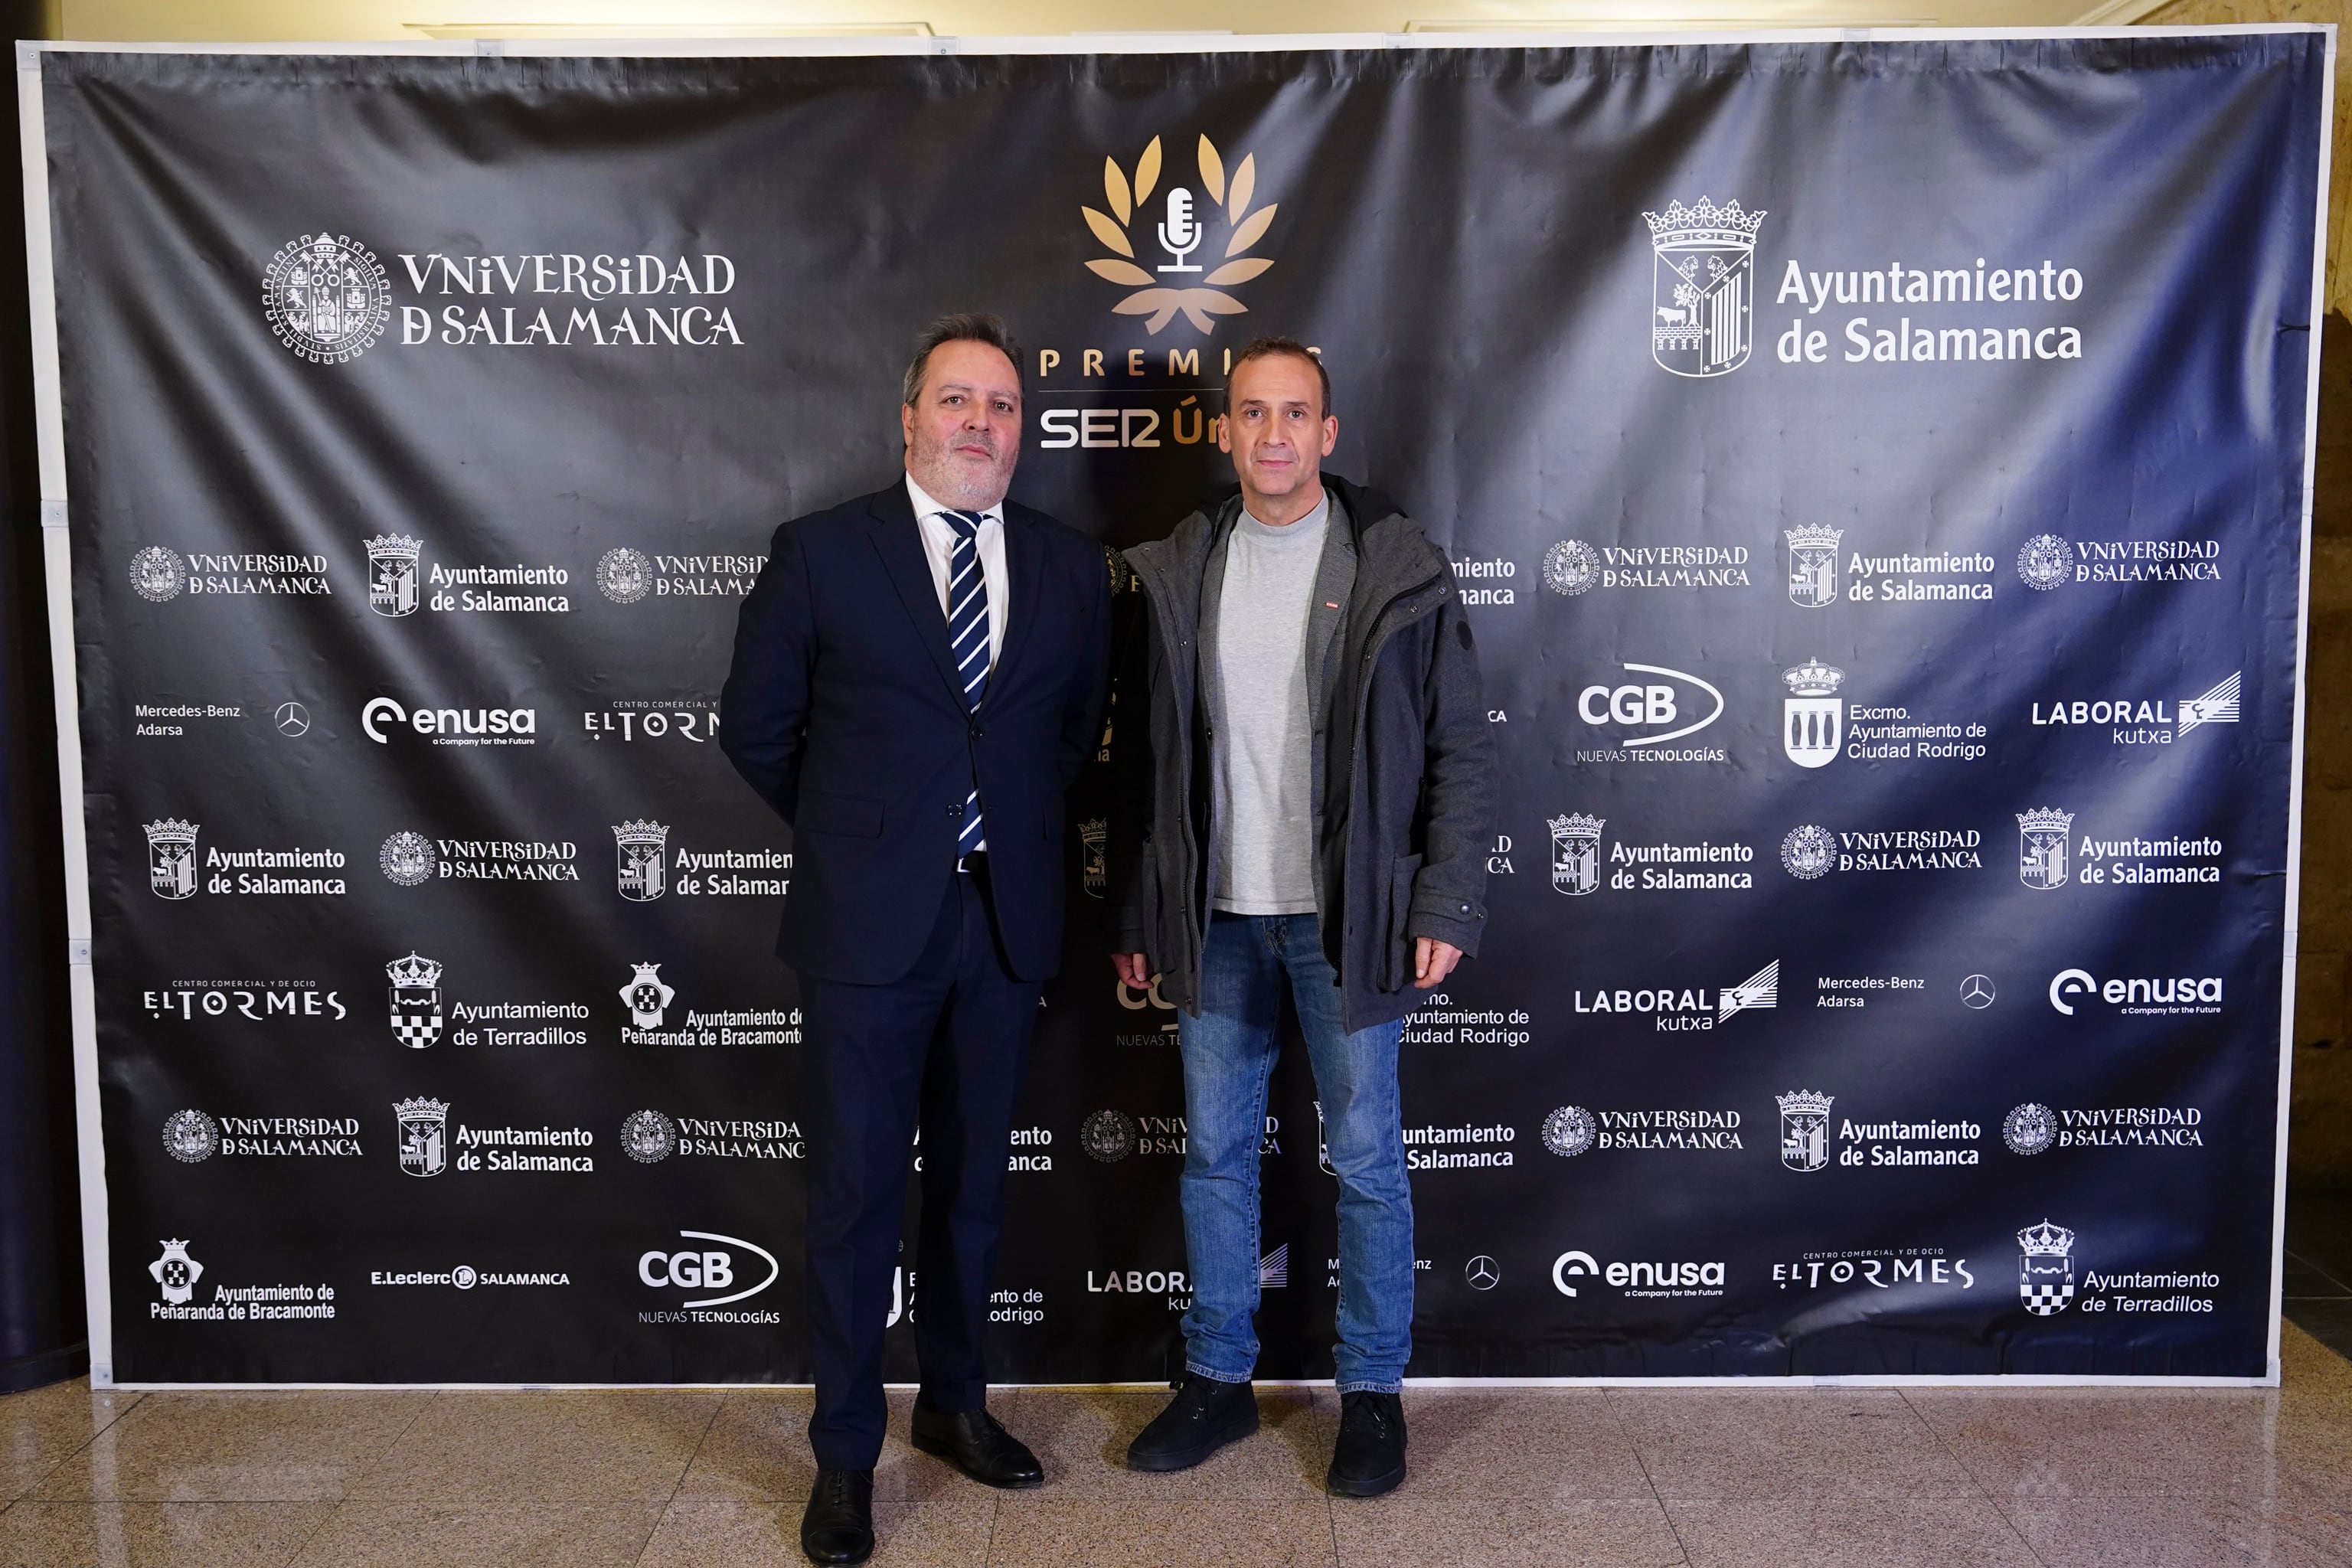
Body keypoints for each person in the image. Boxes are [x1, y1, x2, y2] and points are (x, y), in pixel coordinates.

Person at [721, 314, 1111, 1566]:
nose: (980, 425)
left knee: (975, 1198)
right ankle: (845, 1458)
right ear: (910, 418)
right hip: (863, 929)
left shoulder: (1066, 566)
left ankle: (953, 1408)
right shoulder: (825, 553)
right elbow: (758, 729)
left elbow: (1068, 745)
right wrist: (867, 835)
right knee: (852, 1201)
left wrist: (986, 839)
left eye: (1002, 406)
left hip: (1003, 928)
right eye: (958, 401)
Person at [1106, 335, 1495, 1500]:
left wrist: (1444, 897)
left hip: (1350, 920)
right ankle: (1219, 1377)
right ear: (1223, 434)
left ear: (1327, 435)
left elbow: (1461, 748)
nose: (1272, 435)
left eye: (1295, 415)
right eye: (1251, 415)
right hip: (1217, 918)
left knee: (1368, 1159)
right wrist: (1140, 908)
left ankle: (1372, 1395)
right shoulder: (1180, 565)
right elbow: (1143, 769)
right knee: (1216, 1156)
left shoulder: (1396, 565)